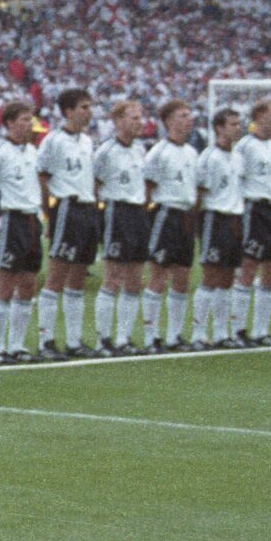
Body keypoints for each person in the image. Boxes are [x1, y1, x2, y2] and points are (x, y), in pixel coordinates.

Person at [38, 88, 99, 358]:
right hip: (66, 207)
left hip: (87, 209)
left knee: (78, 278)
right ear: (69, 111)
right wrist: (49, 214)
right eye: (84, 107)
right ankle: (46, 341)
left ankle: (74, 342)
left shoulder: (87, 141)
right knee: (57, 275)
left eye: (89, 107)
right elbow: (42, 177)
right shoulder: (54, 140)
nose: (89, 112)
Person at [92, 98, 152, 355]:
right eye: (133, 117)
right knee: (113, 276)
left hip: (138, 213)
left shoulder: (140, 149)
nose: (139, 122)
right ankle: (102, 339)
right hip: (117, 212)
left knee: (135, 279)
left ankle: (123, 339)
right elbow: (94, 184)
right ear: (118, 121)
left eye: (140, 117)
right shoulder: (105, 151)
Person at [0, 103, 44, 361]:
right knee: (6, 283)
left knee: (29, 284)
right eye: (23, 120)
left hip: (33, 219)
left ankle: (17, 345)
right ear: (9, 122)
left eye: (30, 120)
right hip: (11, 219)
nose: (29, 124)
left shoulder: (33, 151)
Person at [143, 99, 201, 353]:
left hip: (186, 216)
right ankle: (151, 336)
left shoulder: (191, 152)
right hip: (166, 214)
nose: (188, 119)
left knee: (182, 277)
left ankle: (174, 335)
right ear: (168, 121)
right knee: (159, 274)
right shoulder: (158, 152)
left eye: (189, 115)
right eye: (182, 115)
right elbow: (147, 187)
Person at [193, 108, 247, 351]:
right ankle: (198, 333)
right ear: (219, 128)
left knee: (227, 277)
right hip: (214, 218)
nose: (238, 128)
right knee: (211, 275)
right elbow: (199, 193)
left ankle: (222, 332)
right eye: (233, 124)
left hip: (235, 219)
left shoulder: (238, 157)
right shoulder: (208, 157)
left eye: (239, 124)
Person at [236, 99, 271, 343]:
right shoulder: (246, 146)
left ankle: (260, 330)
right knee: (248, 266)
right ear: (258, 115)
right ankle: (236, 329)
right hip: (255, 209)